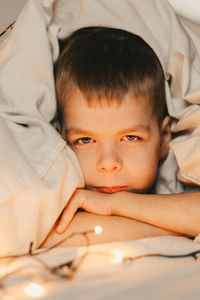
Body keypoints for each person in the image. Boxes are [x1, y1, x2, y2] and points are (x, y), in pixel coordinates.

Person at [41, 26, 200, 248]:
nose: (108, 163)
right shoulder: (51, 199)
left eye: (130, 138)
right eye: (85, 140)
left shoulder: (177, 184)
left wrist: (115, 204)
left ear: (164, 138)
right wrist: (179, 228)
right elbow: (47, 236)